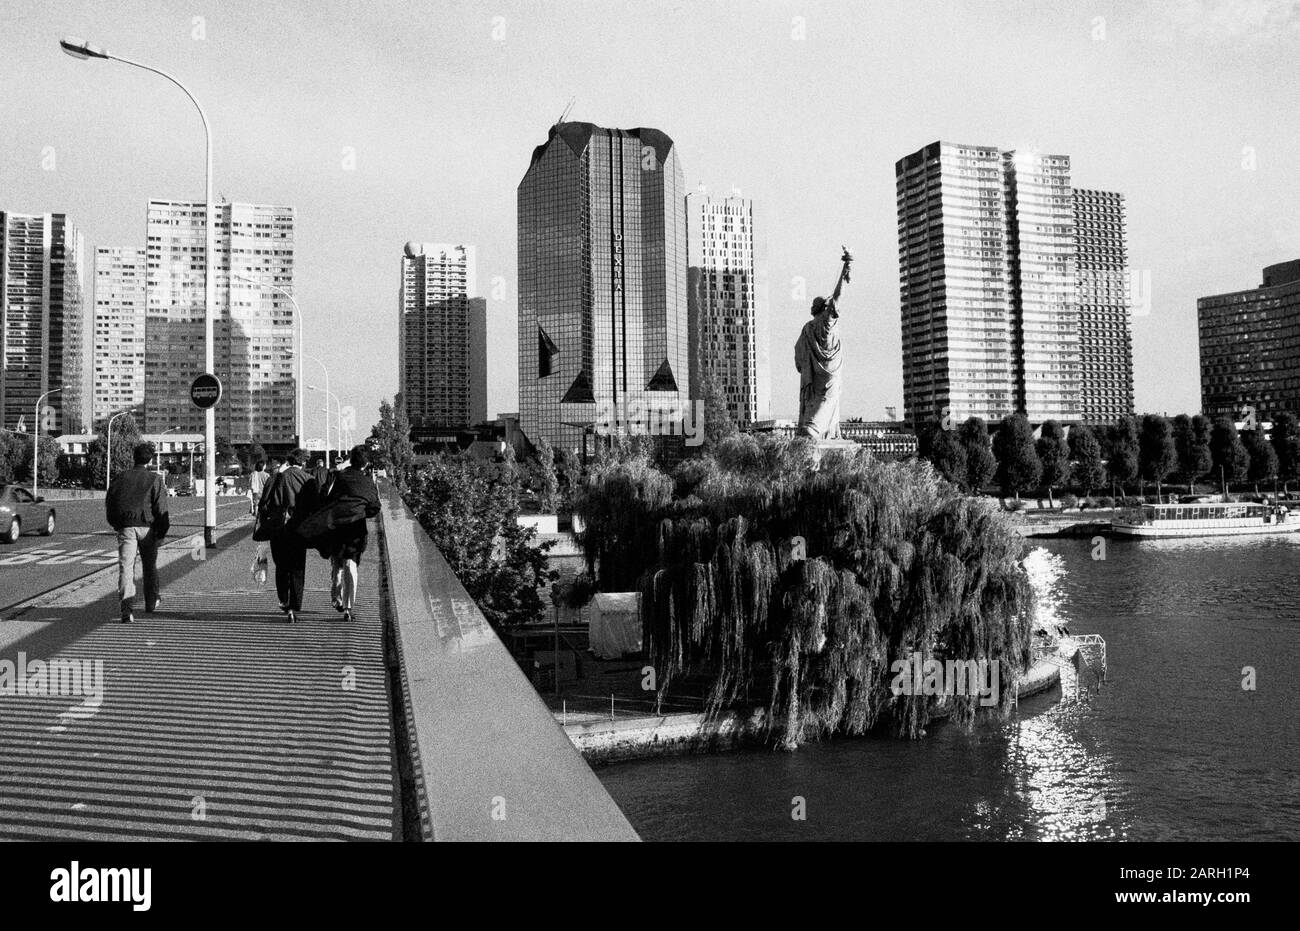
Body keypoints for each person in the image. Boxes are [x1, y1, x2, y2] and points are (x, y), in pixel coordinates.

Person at [297, 445, 380, 622]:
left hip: (336, 527)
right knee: (351, 565)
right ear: (365, 464)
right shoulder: (368, 482)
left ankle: (336, 597)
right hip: (355, 530)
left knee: (337, 565)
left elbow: (327, 499)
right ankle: (349, 608)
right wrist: (361, 511)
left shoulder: (339, 477)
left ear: (351, 459)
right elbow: (375, 507)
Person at [105, 441, 170, 624]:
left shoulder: (120, 478)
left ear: (134, 457)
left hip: (126, 526)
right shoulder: (155, 479)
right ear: (149, 460)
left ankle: (126, 610)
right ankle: (151, 602)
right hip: (148, 528)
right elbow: (161, 509)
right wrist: (162, 533)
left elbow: (110, 504)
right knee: (149, 566)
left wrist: (117, 524)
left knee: (126, 567)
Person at [259, 449, 315, 624]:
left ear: (289, 461)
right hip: (299, 528)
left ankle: (284, 600)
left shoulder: (278, 477)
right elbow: (315, 506)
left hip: (279, 527)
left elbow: (266, 502)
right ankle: (295, 604)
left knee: (281, 566)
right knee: (297, 567)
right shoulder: (308, 480)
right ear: (303, 463)